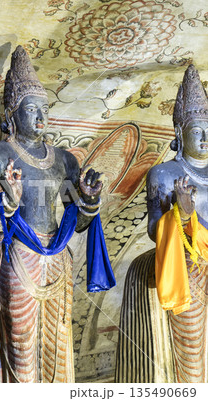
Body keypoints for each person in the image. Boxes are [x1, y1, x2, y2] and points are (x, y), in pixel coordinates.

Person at [0, 46, 115, 383]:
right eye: (31, 110)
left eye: (45, 109)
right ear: (11, 114)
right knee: (19, 342)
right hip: (19, 256)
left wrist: (89, 201)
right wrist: (8, 202)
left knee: (57, 342)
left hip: (58, 257)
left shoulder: (65, 160)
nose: (40, 118)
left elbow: (78, 223)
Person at [116, 64, 208, 383]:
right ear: (180, 134)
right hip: (187, 267)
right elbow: (155, 230)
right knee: (192, 357)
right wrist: (182, 215)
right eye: (197, 131)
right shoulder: (165, 174)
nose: (205, 137)